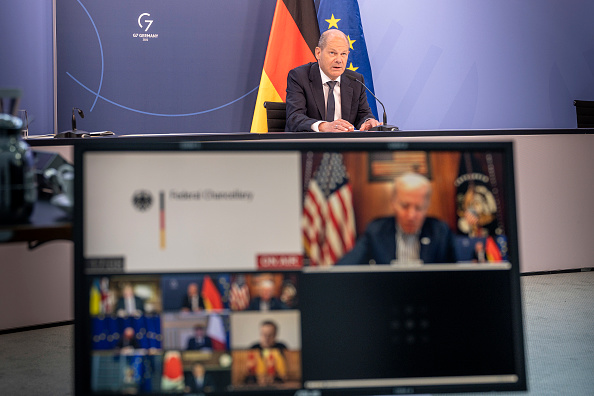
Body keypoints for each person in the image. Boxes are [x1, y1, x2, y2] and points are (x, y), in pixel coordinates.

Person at [337, 172, 457, 265]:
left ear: (427, 207)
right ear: (393, 203)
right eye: (405, 206)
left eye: (419, 208)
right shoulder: (376, 231)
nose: (411, 216)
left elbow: (459, 270)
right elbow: (346, 267)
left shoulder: (440, 231)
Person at [285, 29, 381, 132]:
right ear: (318, 53)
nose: (339, 60)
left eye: (343, 54)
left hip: (343, 146)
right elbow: (294, 118)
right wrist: (323, 126)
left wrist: (367, 121)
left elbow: (363, 114)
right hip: (309, 145)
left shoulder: (355, 81)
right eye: (332, 53)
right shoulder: (299, 77)